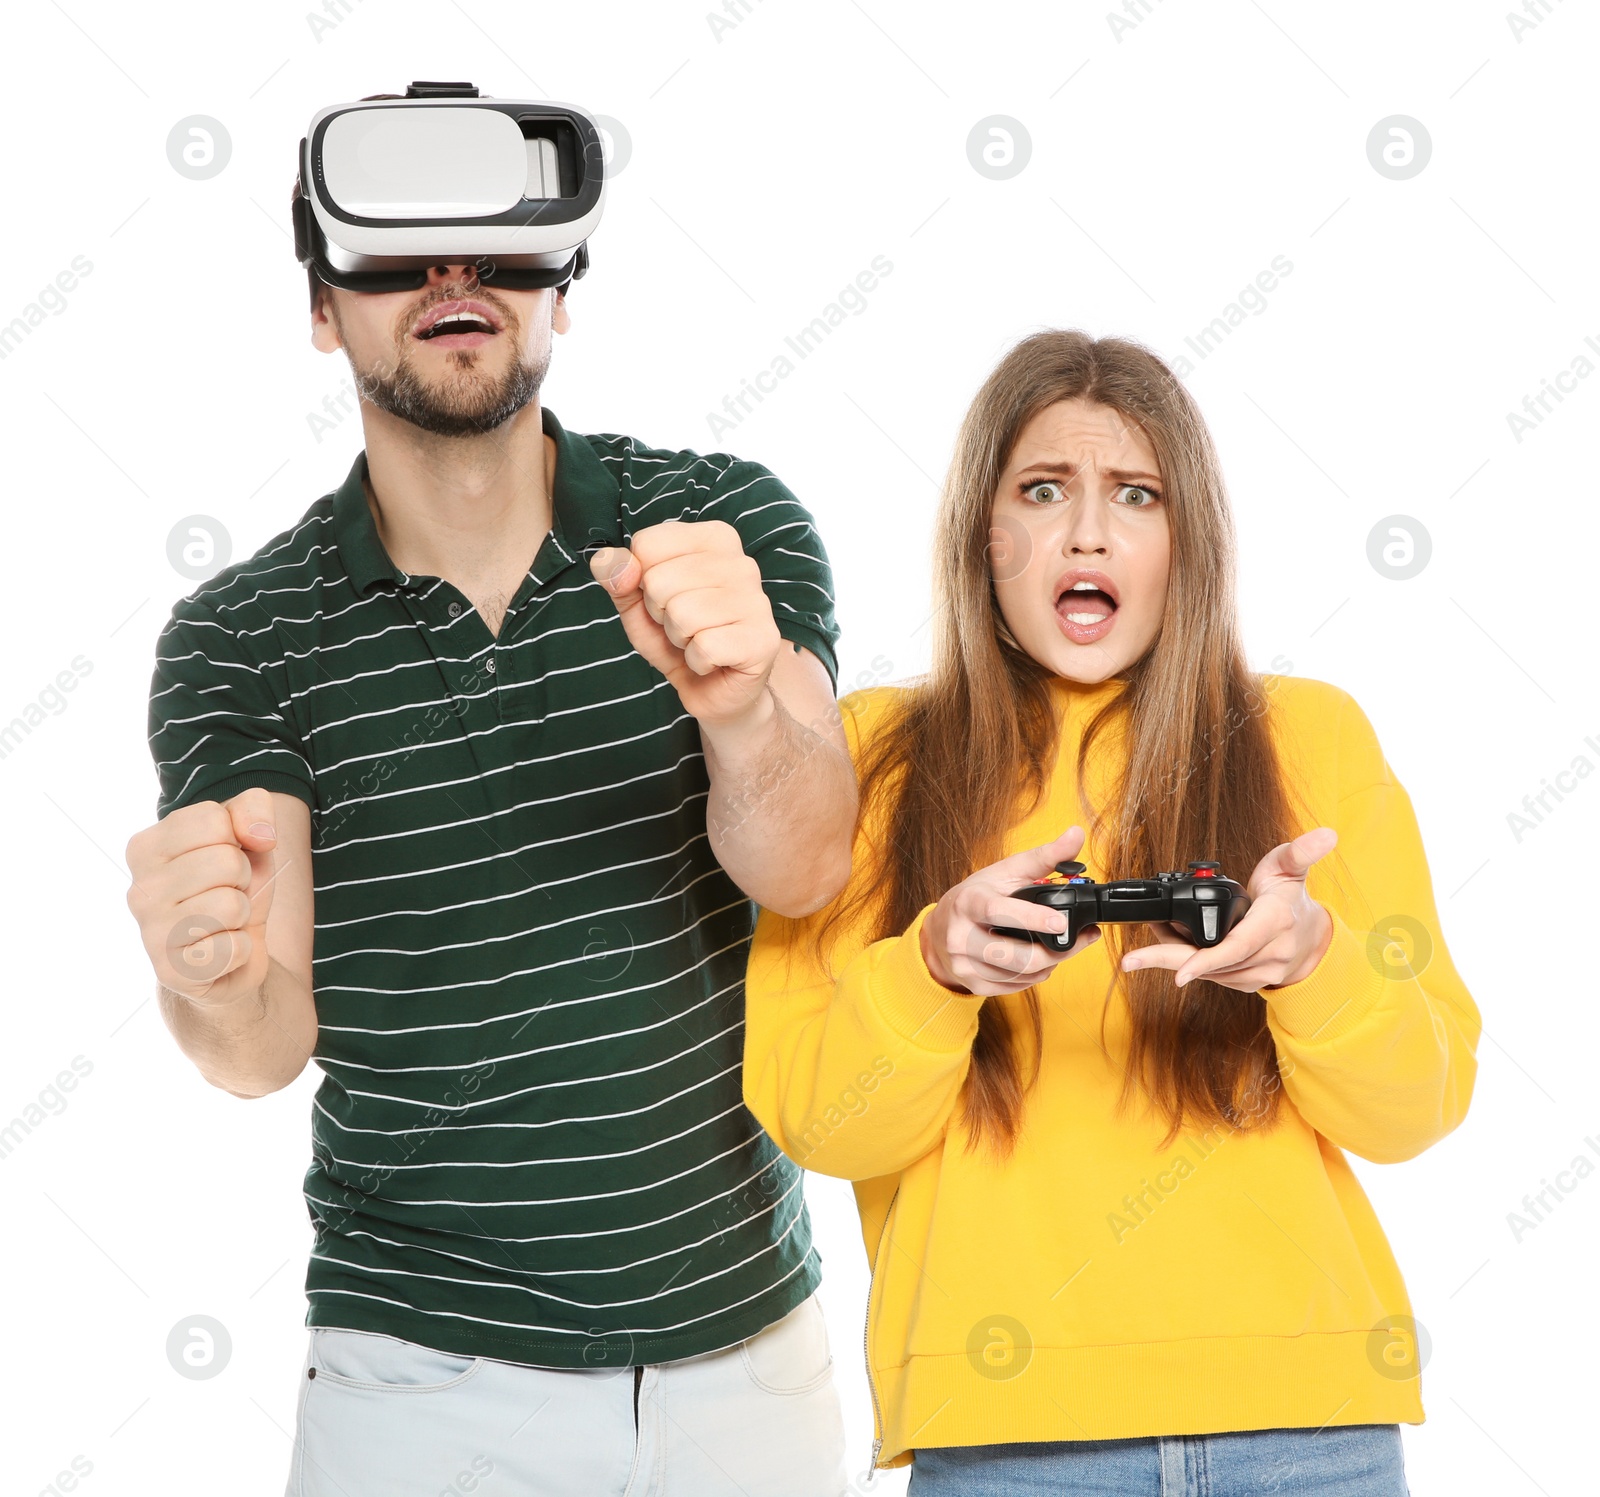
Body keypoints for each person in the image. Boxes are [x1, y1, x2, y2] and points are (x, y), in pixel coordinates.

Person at [123, 131, 858, 1496]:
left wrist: (746, 706)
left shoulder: (722, 522)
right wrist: (205, 973)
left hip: (746, 1369)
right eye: (397, 249)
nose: (455, 272)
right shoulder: (243, 636)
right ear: (320, 303)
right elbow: (259, 1040)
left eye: (501, 242)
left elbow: (809, 868)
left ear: (562, 281)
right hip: (423, 1390)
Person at [742, 329, 1481, 1494]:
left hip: (1308, 1427)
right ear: (982, 539)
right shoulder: (870, 755)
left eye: (1134, 494)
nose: (1087, 531)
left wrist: (1314, 960)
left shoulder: (1309, 736)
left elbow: (1421, 1107)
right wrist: (931, 969)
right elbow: (820, 1128)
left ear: (1183, 541)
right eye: (1043, 490)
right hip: (1008, 1442)